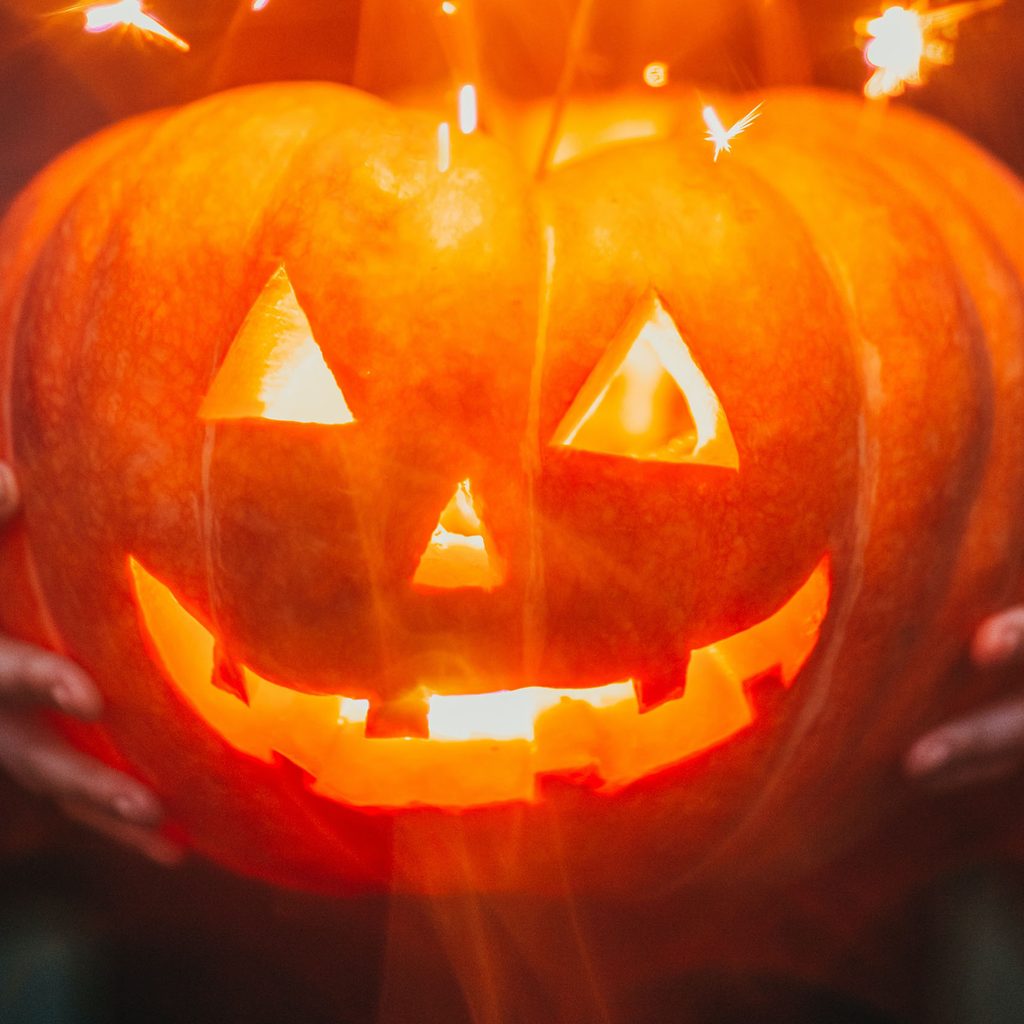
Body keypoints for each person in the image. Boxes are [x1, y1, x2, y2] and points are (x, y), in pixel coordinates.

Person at [0, 453, 1022, 856]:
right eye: (299, 399)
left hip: (859, 903)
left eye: (649, 408)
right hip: (162, 913)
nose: (463, 566)